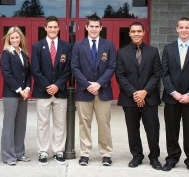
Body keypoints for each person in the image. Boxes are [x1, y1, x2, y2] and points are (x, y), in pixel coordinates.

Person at [115, 22, 162, 170]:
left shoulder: (153, 51)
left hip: (149, 97)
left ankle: (154, 157)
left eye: (139, 31)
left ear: (143, 33)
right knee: (132, 129)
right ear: (129, 33)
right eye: (133, 31)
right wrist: (135, 93)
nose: (136, 34)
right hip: (130, 98)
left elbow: (157, 74)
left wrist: (144, 92)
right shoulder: (121, 53)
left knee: (153, 128)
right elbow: (120, 76)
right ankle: (137, 156)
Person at [71, 14, 116, 166]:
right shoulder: (78, 45)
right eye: (92, 26)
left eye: (97, 26)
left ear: (101, 28)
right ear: (86, 27)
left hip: (103, 91)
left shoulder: (108, 45)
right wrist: (87, 84)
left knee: (104, 124)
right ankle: (85, 154)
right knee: (84, 124)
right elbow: (74, 67)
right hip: (84, 92)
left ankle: (106, 153)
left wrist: (98, 84)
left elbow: (111, 66)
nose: (94, 29)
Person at [161, 17, 189, 175]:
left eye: (187, 27)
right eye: (181, 27)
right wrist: (173, 92)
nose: (184, 30)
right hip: (171, 98)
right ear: (177, 29)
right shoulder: (168, 48)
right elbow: (164, 73)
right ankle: (172, 158)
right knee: (171, 129)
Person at [31, 16, 72, 165]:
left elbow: (68, 69)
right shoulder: (37, 46)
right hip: (43, 91)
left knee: (60, 123)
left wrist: (58, 85)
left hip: (60, 92)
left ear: (59, 29)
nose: (53, 30)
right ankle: (43, 152)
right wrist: (48, 86)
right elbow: (35, 69)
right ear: (45, 28)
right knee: (43, 123)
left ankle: (58, 151)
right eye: (50, 27)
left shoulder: (66, 47)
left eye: (55, 27)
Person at [0, 27, 31, 166]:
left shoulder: (24, 53)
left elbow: (28, 73)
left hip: (23, 94)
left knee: (21, 125)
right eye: (12, 38)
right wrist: (20, 90)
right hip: (11, 94)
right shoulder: (6, 54)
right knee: (9, 125)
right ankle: (8, 156)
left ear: (21, 38)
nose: (14, 40)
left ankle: (19, 153)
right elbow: (7, 75)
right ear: (8, 39)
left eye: (17, 37)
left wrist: (28, 88)